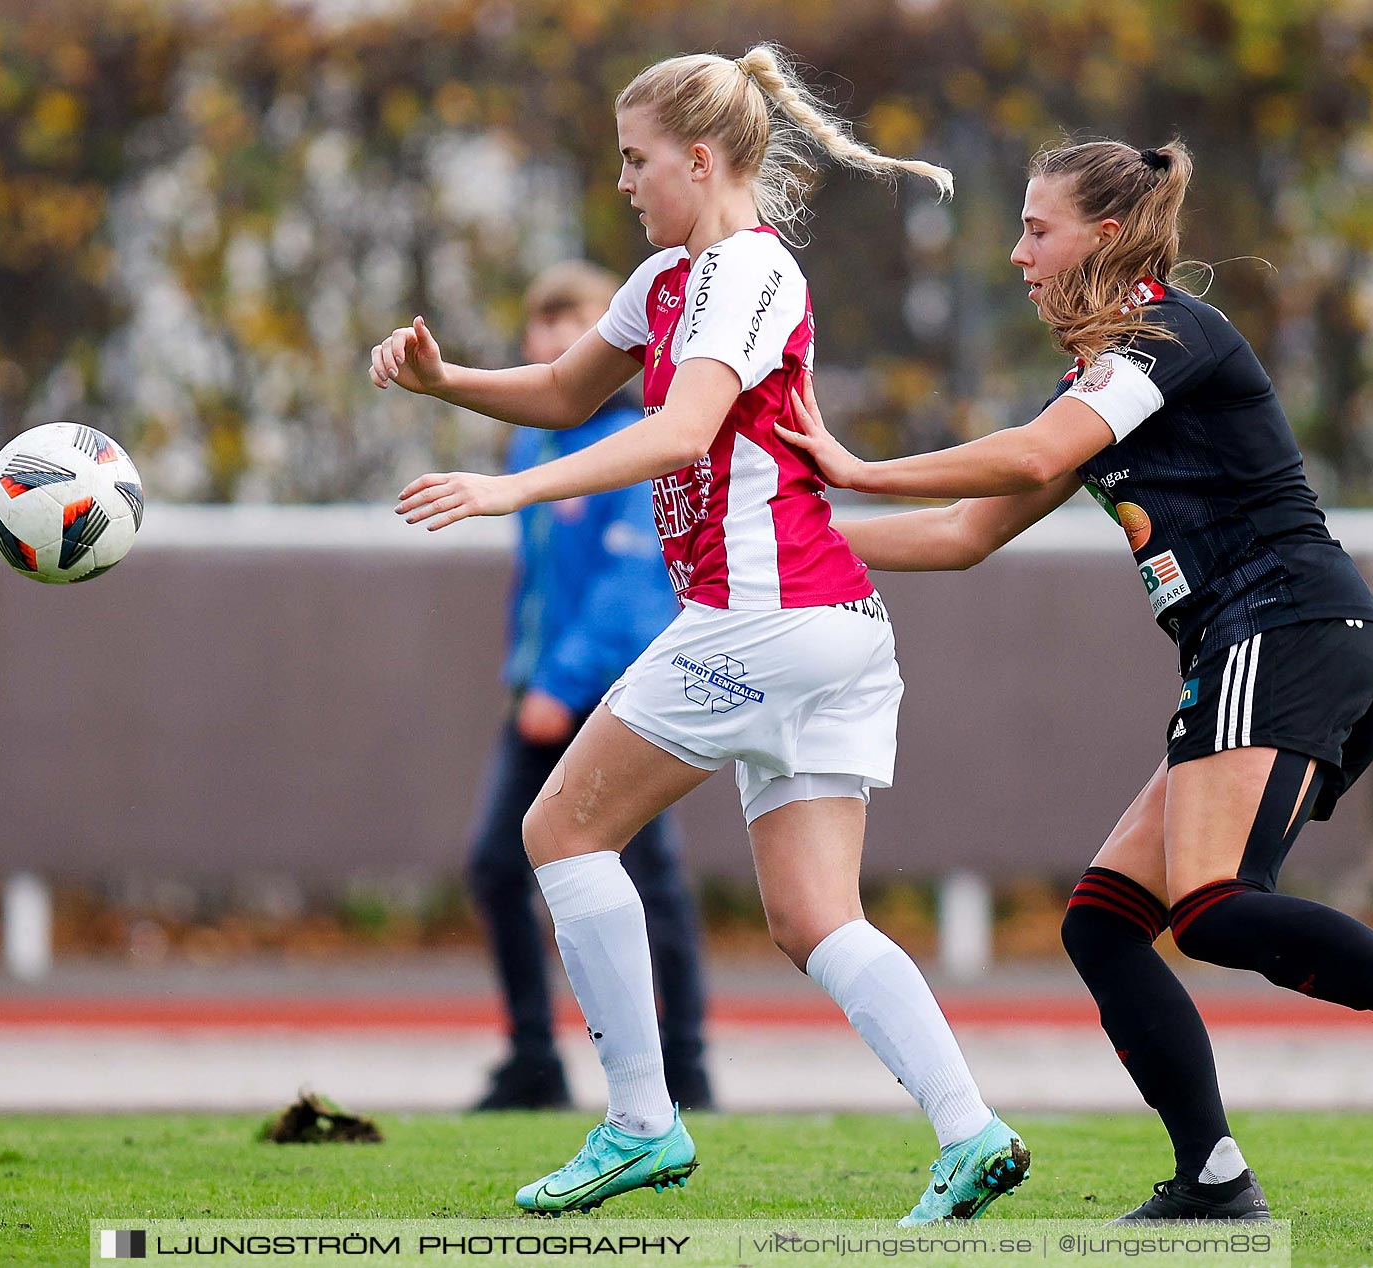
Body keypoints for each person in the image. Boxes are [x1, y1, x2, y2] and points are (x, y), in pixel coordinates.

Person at [777, 137, 1373, 1222]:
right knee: (1104, 918)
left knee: (1217, 906)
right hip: (1269, 649)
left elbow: (1035, 455)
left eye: (1038, 229)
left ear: (1110, 234)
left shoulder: (1167, 332)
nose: (1018, 253)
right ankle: (1216, 1179)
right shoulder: (1098, 380)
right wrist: (797, 537)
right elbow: (960, 533)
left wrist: (853, 463)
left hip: (1287, 632)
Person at [372, 45, 1026, 1224]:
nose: (622, 182)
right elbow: (569, 390)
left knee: (559, 828)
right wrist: (445, 381)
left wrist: (503, 493)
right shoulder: (666, 279)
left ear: (700, 157)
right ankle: (971, 1130)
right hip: (826, 627)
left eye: (634, 159)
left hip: (765, 615)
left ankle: (639, 1119)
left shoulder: (747, 275)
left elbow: (680, 432)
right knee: (814, 916)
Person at [466, 262, 712, 1113]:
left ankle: (687, 1068)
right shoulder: (529, 443)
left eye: (575, 323)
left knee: (649, 882)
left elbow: (627, 591)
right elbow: (538, 585)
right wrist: (527, 672)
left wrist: (562, 681)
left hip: (612, 696)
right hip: (535, 692)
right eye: (542, 323)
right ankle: (534, 1056)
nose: (553, 338)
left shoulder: (636, 443)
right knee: (499, 866)